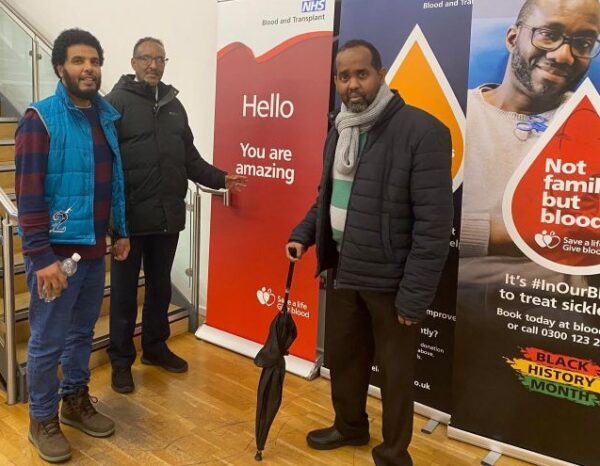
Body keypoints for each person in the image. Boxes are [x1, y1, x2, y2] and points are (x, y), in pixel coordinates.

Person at [286, 40, 453, 466]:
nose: (352, 84)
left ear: (381, 75)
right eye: (344, 76)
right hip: (342, 268)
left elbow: (434, 226)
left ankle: (395, 453)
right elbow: (328, 196)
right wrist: (304, 235)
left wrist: (414, 297)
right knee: (344, 359)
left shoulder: (422, 131)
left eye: (362, 74)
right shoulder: (340, 128)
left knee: (396, 375)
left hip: (391, 280)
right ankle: (349, 427)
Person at [105, 37, 247, 393]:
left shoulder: (174, 106)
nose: (153, 65)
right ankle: (121, 361)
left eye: (160, 59)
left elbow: (190, 159)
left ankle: (154, 347)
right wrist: (112, 223)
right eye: (146, 59)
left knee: (159, 288)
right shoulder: (114, 103)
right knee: (123, 295)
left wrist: (220, 179)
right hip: (128, 222)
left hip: (167, 217)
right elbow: (104, 166)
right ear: (133, 62)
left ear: (165, 63)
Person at [15, 28, 130, 463]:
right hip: (56, 256)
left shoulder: (105, 117)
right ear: (60, 67)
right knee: (46, 339)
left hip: (94, 247)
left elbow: (112, 181)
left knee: (82, 332)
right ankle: (41, 418)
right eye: (79, 61)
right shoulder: (40, 118)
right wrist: (41, 256)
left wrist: (119, 232)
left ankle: (74, 399)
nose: (89, 69)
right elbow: (28, 193)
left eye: (95, 61)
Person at [461, 0, 600, 260]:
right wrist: (517, 236)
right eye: (549, 35)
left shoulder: (593, 125)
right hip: (451, 293)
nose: (563, 56)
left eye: (583, 44)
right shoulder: (455, 114)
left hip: (557, 298)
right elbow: (410, 222)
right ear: (513, 39)